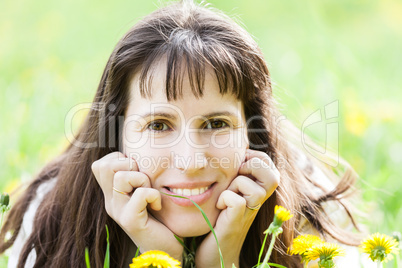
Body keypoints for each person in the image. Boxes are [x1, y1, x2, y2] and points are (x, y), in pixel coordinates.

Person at [0, 1, 366, 267]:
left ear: (253, 132)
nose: (190, 161)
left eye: (217, 124)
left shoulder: (303, 207)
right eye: (158, 125)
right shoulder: (54, 220)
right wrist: (162, 259)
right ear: (116, 131)